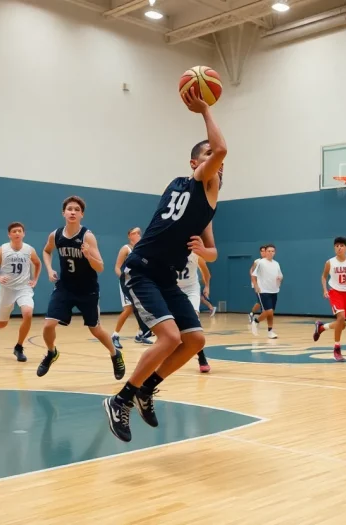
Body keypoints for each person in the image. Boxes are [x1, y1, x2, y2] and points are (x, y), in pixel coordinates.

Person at [103, 88, 225, 443]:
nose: (216, 161)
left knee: (195, 339)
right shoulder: (186, 184)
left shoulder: (205, 200)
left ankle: (147, 388)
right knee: (170, 337)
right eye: (206, 156)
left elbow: (214, 252)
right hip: (142, 268)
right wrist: (204, 110)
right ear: (194, 163)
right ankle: (120, 399)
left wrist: (203, 251)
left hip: (166, 276)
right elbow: (220, 149)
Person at [39, 195, 126, 379]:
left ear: (82, 215)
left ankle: (114, 354)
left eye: (77, 210)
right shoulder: (55, 235)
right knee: (48, 325)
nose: (73, 212)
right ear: (64, 212)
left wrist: (88, 255)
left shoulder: (87, 236)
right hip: (65, 288)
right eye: (69, 209)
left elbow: (100, 267)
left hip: (87, 290)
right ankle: (51, 352)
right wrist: (49, 269)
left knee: (95, 330)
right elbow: (46, 251)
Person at [0, 223, 41, 362]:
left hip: (23, 288)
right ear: (9, 234)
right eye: (14, 231)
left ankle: (19, 347)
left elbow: (38, 263)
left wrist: (35, 279)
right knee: (3, 323)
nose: (17, 233)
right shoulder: (2, 249)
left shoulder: (29, 249)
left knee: (27, 313)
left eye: (19, 231)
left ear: (23, 234)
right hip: (7, 289)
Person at [313, 237, 346, 361]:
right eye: (336, 246)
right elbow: (324, 277)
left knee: (343, 325)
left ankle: (321, 328)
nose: (339, 248)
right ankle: (337, 349)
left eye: (341, 245)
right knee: (340, 318)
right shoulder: (330, 262)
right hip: (335, 292)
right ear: (334, 248)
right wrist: (325, 290)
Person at [111, 227, 154, 349]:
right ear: (129, 235)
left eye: (139, 233)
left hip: (138, 283)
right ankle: (115, 335)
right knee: (128, 309)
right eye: (135, 233)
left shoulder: (141, 249)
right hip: (126, 283)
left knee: (141, 307)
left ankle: (140, 334)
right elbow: (117, 267)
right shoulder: (126, 249)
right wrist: (124, 279)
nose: (138, 235)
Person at [177, 252, 212, 372]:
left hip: (191, 289)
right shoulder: (167, 250)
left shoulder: (195, 254)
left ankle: (202, 358)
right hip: (173, 288)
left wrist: (207, 286)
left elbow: (205, 272)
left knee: (193, 321)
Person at [250, 245, 283, 338]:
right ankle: (256, 321)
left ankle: (270, 331)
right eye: (268, 251)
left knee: (271, 313)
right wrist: (256, 286)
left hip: (274, 290)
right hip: (263, 290)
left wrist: (280, 278)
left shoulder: (276, 263)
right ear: (265, 252)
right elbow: (253, 275)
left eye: (272, 251)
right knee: (269, 311)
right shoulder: (261, 263)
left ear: (275, 252)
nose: (270, 253)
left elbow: (281, 275)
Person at [247, 245, 266, 323]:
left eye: (264, 251)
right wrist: (254, 281)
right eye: (261, 251)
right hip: (258, 284)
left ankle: (254, 314)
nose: (263, 252)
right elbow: (251, 270)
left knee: (263, 301)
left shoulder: (269, 262)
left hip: (266, 285)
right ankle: (252, 314)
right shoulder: (257, 261)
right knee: (260, 301)